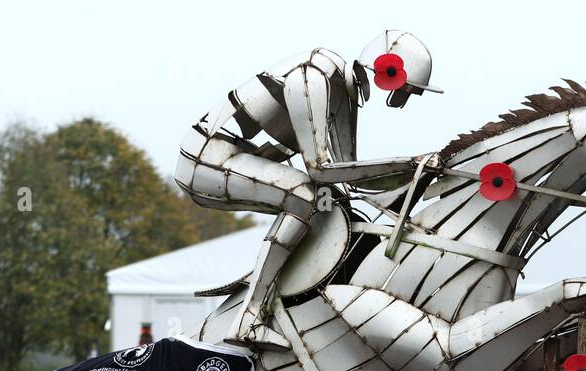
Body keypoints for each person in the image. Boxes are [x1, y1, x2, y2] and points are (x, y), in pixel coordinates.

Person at [176, 31, 440, 346]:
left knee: (330, 201)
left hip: (233, 159)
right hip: (206, 161)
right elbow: (320, 170)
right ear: (389, 70)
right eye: (407, 90)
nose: (404, 98)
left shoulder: (342, 90)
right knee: (303, 195)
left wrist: (418, 172)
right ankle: (250, 317)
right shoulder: (314, 75)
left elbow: (349, 179)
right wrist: (408, 163)